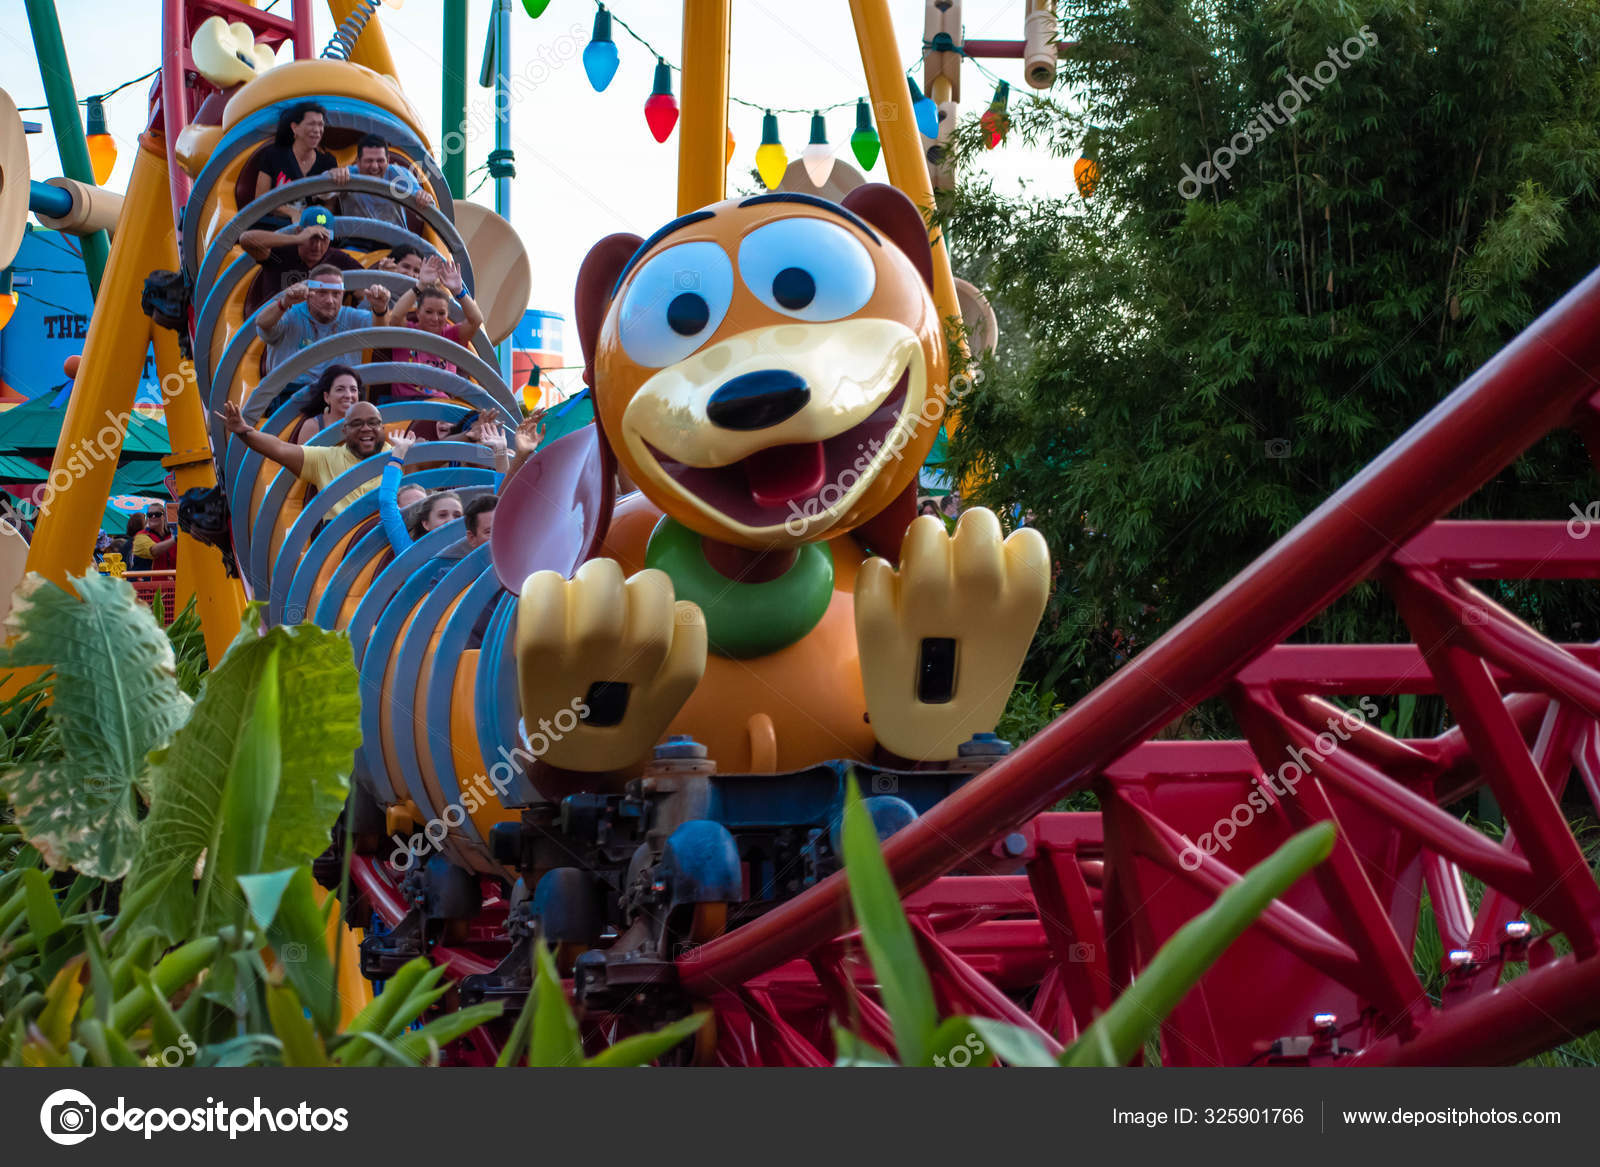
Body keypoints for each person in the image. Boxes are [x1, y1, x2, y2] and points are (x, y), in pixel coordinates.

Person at [215, 398, 390, 519]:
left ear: (382, 427)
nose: (366, 428)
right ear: (344, 430)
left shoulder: (400, 454)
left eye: (373, 423)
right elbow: (280, 449)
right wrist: (245, 432)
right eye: (357, 424)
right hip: (344, 548)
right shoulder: (325, 458)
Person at [256, 264, 391, 389]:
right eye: (322, 293)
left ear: (342, 294)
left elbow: (379, 335)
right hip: (292, 393)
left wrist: (380, 308)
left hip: (340, 394)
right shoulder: (290, 314)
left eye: (335, 294)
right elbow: (262, 323)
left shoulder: (350, 316)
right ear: (309, 294)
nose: (329, 300)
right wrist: (284, 303)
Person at [378, 425, 507, 554]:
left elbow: (502, 505)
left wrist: (501, 452)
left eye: (457, 516)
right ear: (426, 524)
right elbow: (386, 502)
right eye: (442, 515)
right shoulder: (410, 552)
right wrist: (399, 453)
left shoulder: (474, 548)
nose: (450, 520)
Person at [387, 256, 484, 402]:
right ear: (418, 312)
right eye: (428, 312)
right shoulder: (407, 331)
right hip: (405, 404)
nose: (435, 318)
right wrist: (420, 285)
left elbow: (476, 320)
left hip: (440, 405)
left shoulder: (452, 335)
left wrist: (459, 292)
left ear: (447, 315)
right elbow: (395, 317)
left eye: (441, 313)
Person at [241, 206, 364, 310]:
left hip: (320, 332)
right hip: (277, 326)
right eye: (312, 237)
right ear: (299, 231)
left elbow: (365, 287)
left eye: (324, 238)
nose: (317, 246)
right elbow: (246, 239)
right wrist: (297, 239)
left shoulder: (338, 259)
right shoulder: (280, 252)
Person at [336, 134, 436, 229]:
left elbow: (425, 205)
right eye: (369, 161)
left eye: (380, 161)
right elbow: (324, 193)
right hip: (356, 243)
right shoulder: (349, 174)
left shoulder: (399, 174)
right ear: (358, 161)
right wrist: (333, 176)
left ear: (388, 160)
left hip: (395, 243)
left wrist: (425, 199)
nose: (374, 167)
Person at [252, 103, 338, 205]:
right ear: (294, 127)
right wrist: (290, 212)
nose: (317, 130)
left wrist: (315, 219)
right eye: (311, 124)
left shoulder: (328, 162)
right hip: (274, 221)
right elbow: (260, 201)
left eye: (320, 125)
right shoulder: (272, 156)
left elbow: (328, 212)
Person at [292, 364, 365, 443]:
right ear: (327, 397)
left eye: (353, 390)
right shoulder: (313, 426)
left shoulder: (368, 424)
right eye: (340, 389)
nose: (348, 395)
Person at [139, 503, 178, 571]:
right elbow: (153, 551)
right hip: (152, 580)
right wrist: (175, 539)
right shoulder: (142, 536)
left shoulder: (171, 536)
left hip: (174, 580)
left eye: (157, 514)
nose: (153, 516)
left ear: (164, 516)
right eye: (150, 515)